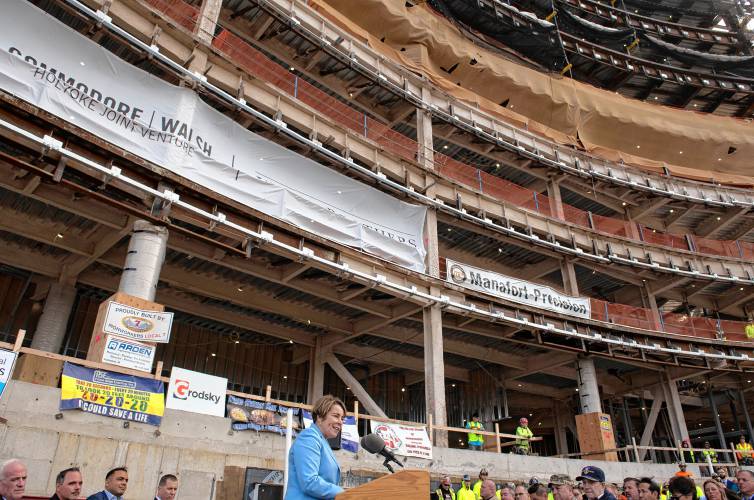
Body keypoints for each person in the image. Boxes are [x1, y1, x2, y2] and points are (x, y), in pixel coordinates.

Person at [285, 395, 345, 500]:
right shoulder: (309, 437)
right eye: (336, 416)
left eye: (342, 418)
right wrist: (344, 493)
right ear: (320, 417)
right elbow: (309, 481)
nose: (340, 422)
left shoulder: (322, 441)